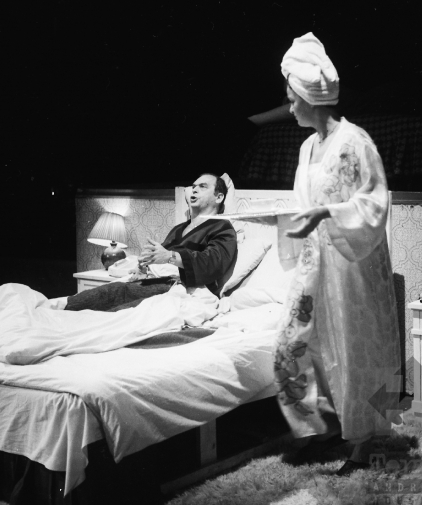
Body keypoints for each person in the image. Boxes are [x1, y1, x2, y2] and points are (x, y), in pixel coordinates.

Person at [273, 33, 401, 476]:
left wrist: (327, 212)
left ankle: (361, 443)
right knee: (292, 344)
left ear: (310, 97)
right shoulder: (307, 147)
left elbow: (373, 204)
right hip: (316, 263)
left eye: (292, 98)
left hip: (352, 268)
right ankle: (319, 427)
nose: (289, 106)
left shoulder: (355, 141)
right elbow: (301, 206)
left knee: (352, 350)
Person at [65, 173, 237, 312]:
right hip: (155, 281)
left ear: (219, 197)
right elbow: (159, 257)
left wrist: (170, 256)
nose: (194, 190)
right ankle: (59, 309)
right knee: (108, 292)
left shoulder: (222, 228)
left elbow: (214, 263)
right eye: (193, 186)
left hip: (180, 286)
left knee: (120, 305)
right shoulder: (179, 229)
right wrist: (144, 267)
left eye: (202, 186)